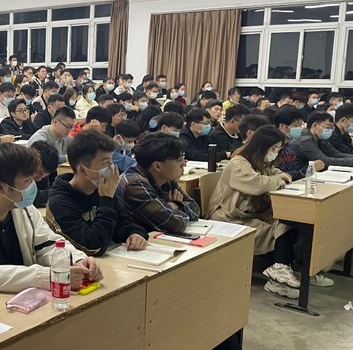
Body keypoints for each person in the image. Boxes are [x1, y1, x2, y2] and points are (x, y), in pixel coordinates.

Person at [0, 143, 102, 292]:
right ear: (1, 188)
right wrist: (47, 277)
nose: (32, 186)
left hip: (29, 298)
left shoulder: (23, 208)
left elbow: (48, 244)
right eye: (27, 181)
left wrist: (77, 260)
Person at [205, 125, 328, 296]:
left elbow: (278, 174)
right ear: (261, 146)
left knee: (290, 220)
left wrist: (279, 177)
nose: (275, 153)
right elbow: (257, 184)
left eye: (278, 149)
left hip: (252, 214)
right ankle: (278, 276)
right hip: (229, 217)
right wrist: (277, 179)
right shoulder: (238, 163)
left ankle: (292, 268)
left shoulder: (262, 162)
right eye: (273, 148)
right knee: (278, 228)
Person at [49, 129, 149, 256]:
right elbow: (93, 246)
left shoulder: (101, 188)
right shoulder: (59, 202)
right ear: (83, 170)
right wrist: (106, 200)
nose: (111, 168)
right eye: (105, 163)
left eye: (111, 161)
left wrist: (134, 233)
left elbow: (124, 221)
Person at [116, 133, 200, 233]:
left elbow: (195, 209)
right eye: (178, 160)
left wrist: (173, 207)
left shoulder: (166, 178)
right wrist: (175, 204)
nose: (184, 164)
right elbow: (175, 224)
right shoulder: (135, 185)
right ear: (157, 166)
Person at [291, 111, 353, 176]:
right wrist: (351, 162)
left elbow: (335, 153)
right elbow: (324, 161)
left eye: (332, 128)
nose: (330, 130)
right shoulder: (305, 141)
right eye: (328, 127)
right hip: (300, 176)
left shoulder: (320, 137)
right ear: (315, 125)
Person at [28, 140, 59, 207]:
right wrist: (55, 191)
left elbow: (45, 193)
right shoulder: (17, 171)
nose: (39, 179)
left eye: (44, 176)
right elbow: (30, 198)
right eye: (38, 172)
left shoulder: (43, 171)